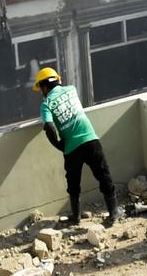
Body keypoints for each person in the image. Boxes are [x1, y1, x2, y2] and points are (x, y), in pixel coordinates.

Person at [34, 67, 124, 225]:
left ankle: (75, 218)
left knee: (73, 184)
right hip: (90, 140)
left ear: (44, 87)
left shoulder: (46, 104)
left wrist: (59, 145)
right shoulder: (71, 90)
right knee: (104, 175)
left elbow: (49, 127)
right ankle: (114, 213)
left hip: (71, 148)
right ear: (58, 81)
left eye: (41, 88)